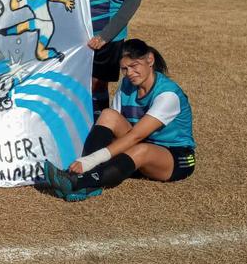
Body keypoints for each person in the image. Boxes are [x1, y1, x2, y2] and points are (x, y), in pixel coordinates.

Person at [42, 39, 196, 201]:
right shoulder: (127, 85)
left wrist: (90, 159)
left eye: (134, 65)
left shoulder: (167, 95)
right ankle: (85, 175)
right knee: (108, 114)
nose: (129, 73)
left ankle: (80, 182)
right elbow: (113, 123)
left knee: (142, 149)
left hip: (175, 157)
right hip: (141, 145)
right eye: (124, 69)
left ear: (149, 60)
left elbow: (135, 136)